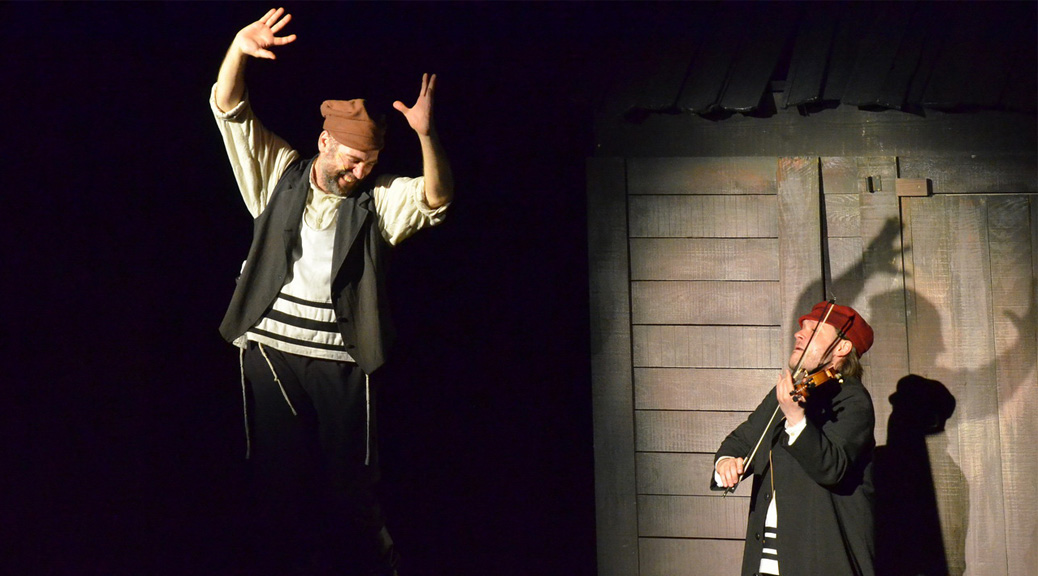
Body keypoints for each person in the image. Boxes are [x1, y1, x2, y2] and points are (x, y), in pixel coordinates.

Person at [210, 7, 453, 575]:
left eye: (370, 163)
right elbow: (230, 111)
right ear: (324, 141)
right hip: (272, 351)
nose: (360, 172)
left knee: (352, 489)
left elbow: (436, 199)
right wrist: (238, 50)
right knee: (276, 481)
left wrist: (426, 136)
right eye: (352, 159)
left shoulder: (378, 200)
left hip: (342, 359)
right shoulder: (279, 173)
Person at [712, 302, 876, 576]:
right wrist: (725, 463)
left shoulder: (852, 399)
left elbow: (831, 468)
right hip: (765, 564)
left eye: (813, 330)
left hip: (818, 563)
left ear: (842, 347)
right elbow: (741, 441)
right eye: (801, 328)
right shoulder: (794, 392)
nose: (799, 334)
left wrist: (797, 418)